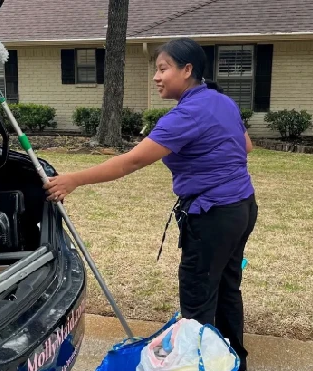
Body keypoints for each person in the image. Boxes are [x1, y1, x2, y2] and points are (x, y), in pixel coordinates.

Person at [44, 37, 258, 371]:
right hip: (243, 207)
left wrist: (73, 180)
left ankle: (201, 364)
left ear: (187, 70)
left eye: (163, 68)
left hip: (212, 216)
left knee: (198, 304)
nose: (156, 76)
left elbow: (130, 163)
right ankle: (235, 363)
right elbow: (246, 146)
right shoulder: (221, 101)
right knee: (228, 288)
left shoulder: (186, 115)